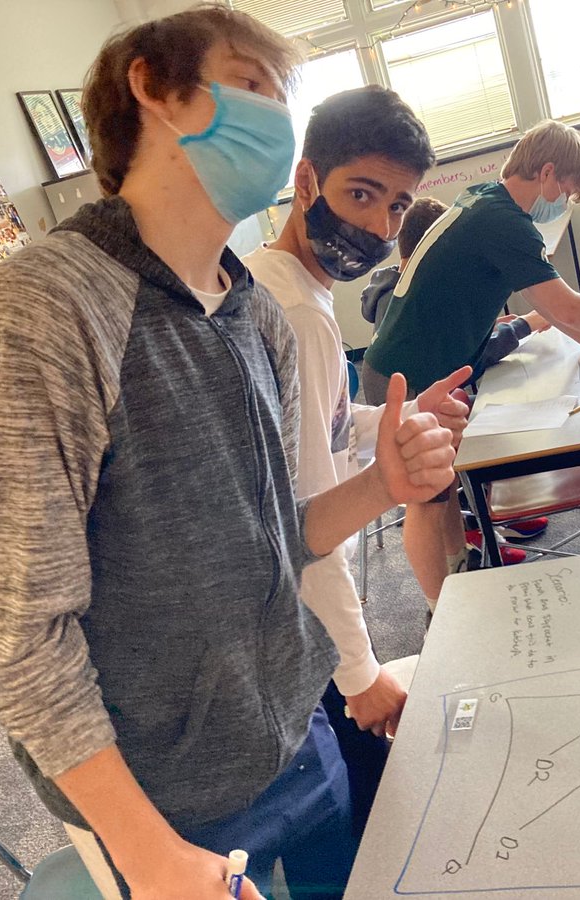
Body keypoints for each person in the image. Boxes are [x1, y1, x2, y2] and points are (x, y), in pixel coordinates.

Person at [0, 8, 458, 900]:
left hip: (293, 732)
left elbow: (276, 537)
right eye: (253, 83)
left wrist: (383, 484)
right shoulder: (51, 303)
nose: (274, 117)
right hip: (167, 801)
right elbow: (13, 631)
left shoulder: (250, 308)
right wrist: (145, 852)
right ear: (153, 87)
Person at [241, 85, 469, 838]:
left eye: (399, 206)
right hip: (291, 624)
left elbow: (320, 429)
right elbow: (308, 522)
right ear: (305, 181)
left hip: (278, 617)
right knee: (359, 825)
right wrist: (361, 673)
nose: (378, 224)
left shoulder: (274, 279)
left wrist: (391, 419)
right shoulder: (300, 314)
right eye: (362, 194)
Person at [361, 119, 580, 611]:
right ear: (548, 173)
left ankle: (460, 569)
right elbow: (566, 301)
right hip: (406, 378)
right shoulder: (504, 222)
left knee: (443, 487)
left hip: (417, 369)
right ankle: (445, 612)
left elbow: (557, 308)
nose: (564, 204)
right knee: (427, 501)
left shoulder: (482, 198)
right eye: (569, 193)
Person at [361, 196, 551, 383]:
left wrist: (483, 330)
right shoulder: (421, 298)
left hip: (399, 383)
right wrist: (524, 325)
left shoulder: (390, 287)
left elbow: (441, 340)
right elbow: (466, 361)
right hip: (407, 391)